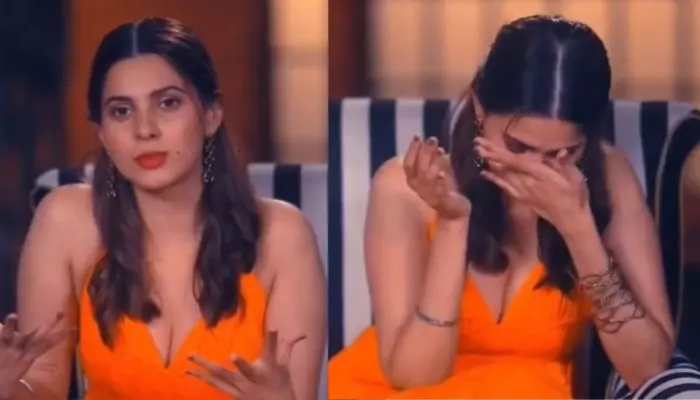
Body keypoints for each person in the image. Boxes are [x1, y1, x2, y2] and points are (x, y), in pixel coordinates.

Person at [328, 15, 676, 399]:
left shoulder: (609, 178)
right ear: (479, 109)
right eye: (517, 147)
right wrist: (452, 224)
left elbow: (648, 369)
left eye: (563, 153)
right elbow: (413, 377)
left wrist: (578, 228)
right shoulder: (403, 188)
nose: (535, 168)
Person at [0, 17, 326, 400]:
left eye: (168, 103)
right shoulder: (66, 220)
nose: (145, 130)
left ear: (211, 115)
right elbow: (42, 388)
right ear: (102, 134)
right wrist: (9, 387)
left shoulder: (282, 236)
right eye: (122, 111)